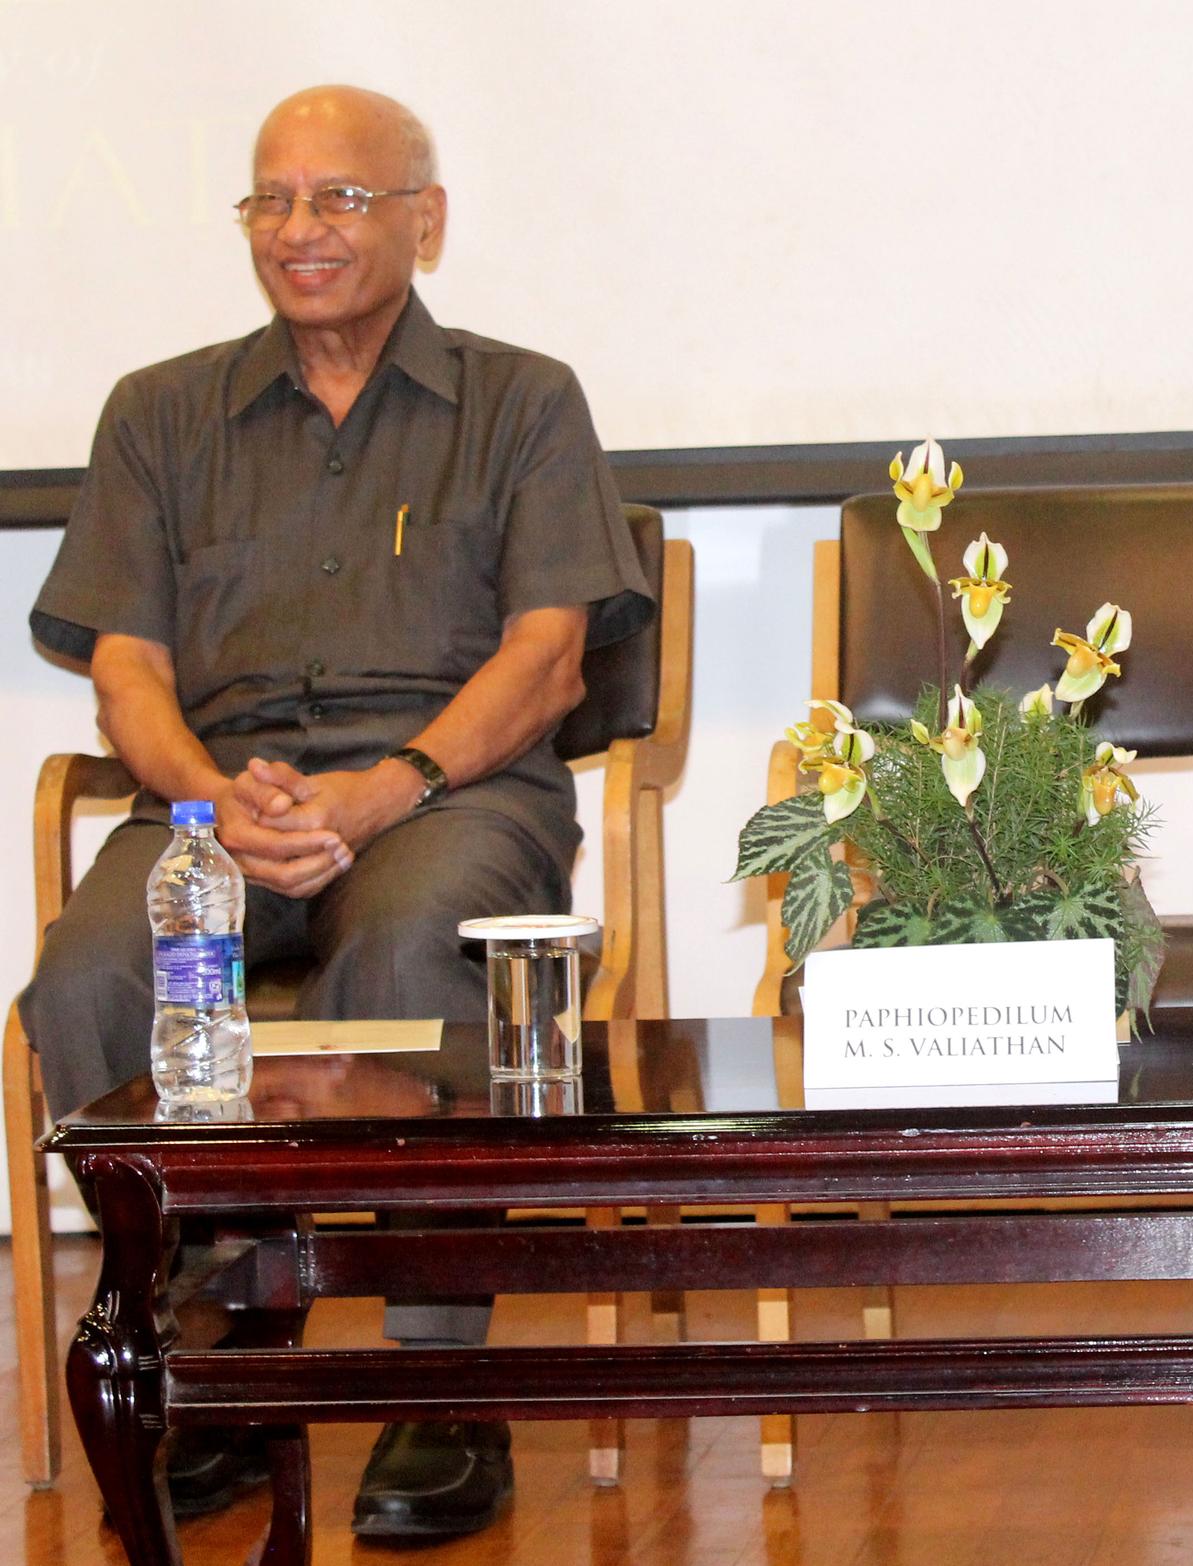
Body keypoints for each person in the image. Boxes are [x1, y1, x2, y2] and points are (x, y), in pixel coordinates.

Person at [22, 84, 653, 1541]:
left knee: (410, 946)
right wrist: (198, 793)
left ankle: (441, 1382)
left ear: (424, 221)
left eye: (341, 199)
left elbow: (549, 654)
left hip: (449, 788)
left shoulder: (523, 400)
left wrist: (391, 787)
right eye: (273, 201)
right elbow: (126, 664)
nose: (301, 231)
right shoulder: (161, 412)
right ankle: (218, 1342)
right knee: (95, 968)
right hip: (215, 796)